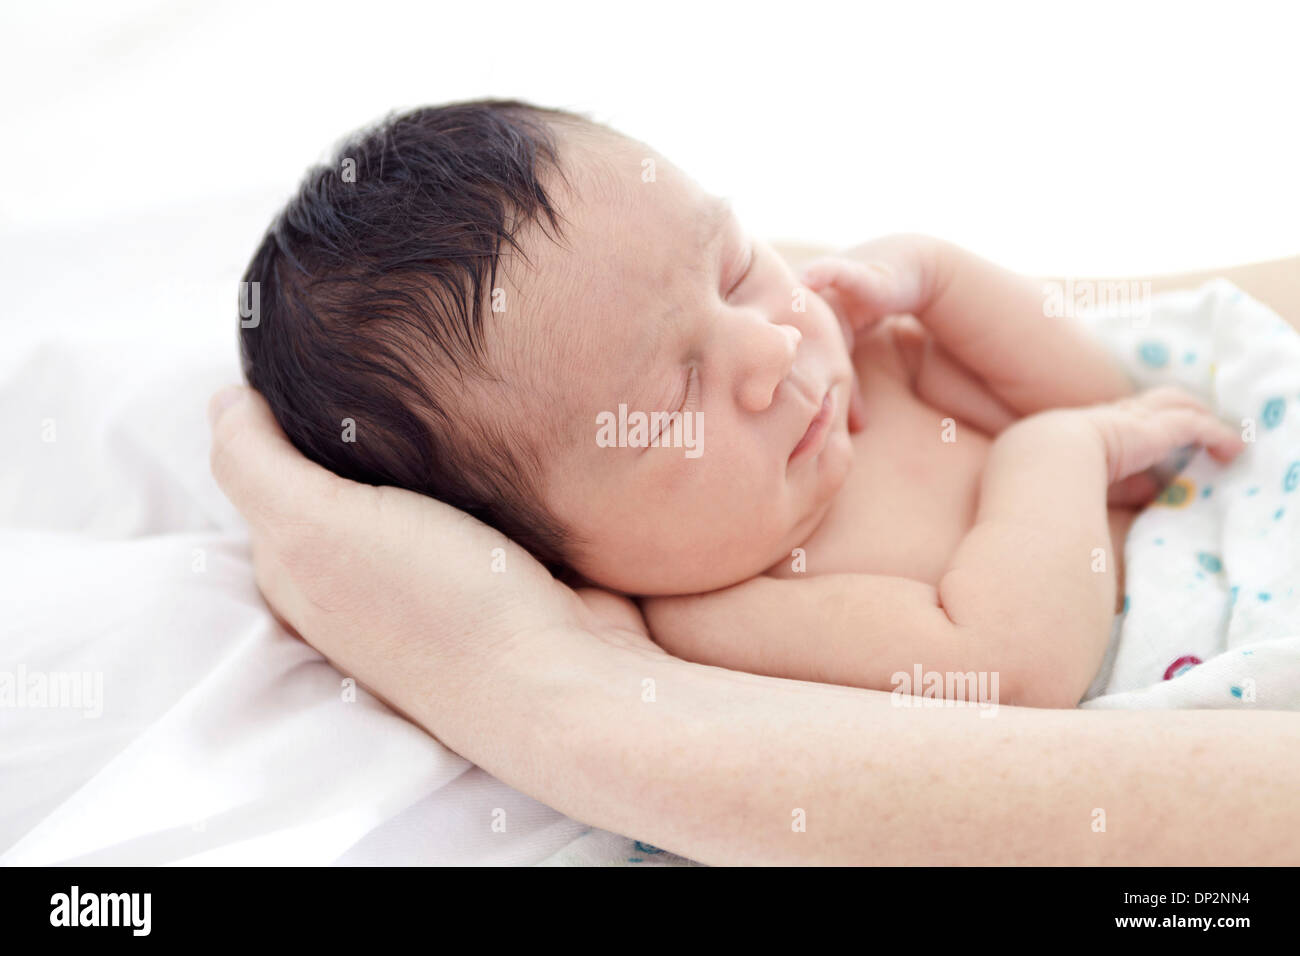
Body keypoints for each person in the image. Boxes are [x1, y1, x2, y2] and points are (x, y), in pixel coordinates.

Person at [209, 245, 1300, 863]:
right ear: (554, 551)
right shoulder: (723, 609)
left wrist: (948, 287)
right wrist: (1055, 454)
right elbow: (1017, 664)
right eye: (673, 385)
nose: (770, 344)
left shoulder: (855, 363)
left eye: (731, 271)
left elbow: (1120, 415)